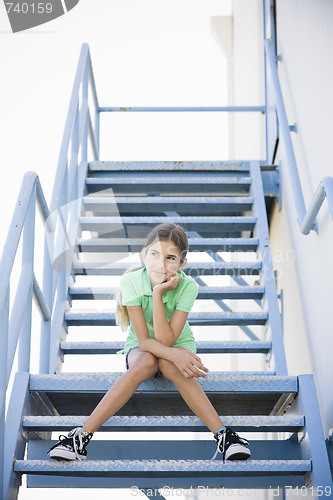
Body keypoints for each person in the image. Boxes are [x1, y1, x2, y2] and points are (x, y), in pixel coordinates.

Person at [48, 223, 251, 462]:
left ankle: (224, 436)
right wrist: (157, 297)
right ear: (144, 255)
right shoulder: (131, 281)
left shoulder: (188, 286)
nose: (161, 264)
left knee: (169, 365)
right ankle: (80, 437)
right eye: (154, 254)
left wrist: (159, 298)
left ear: (182, 263)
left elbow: (166, 339)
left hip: (177, 342)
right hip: (141, 346)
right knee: (146, 362)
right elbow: (144, 341)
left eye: (170, 258)